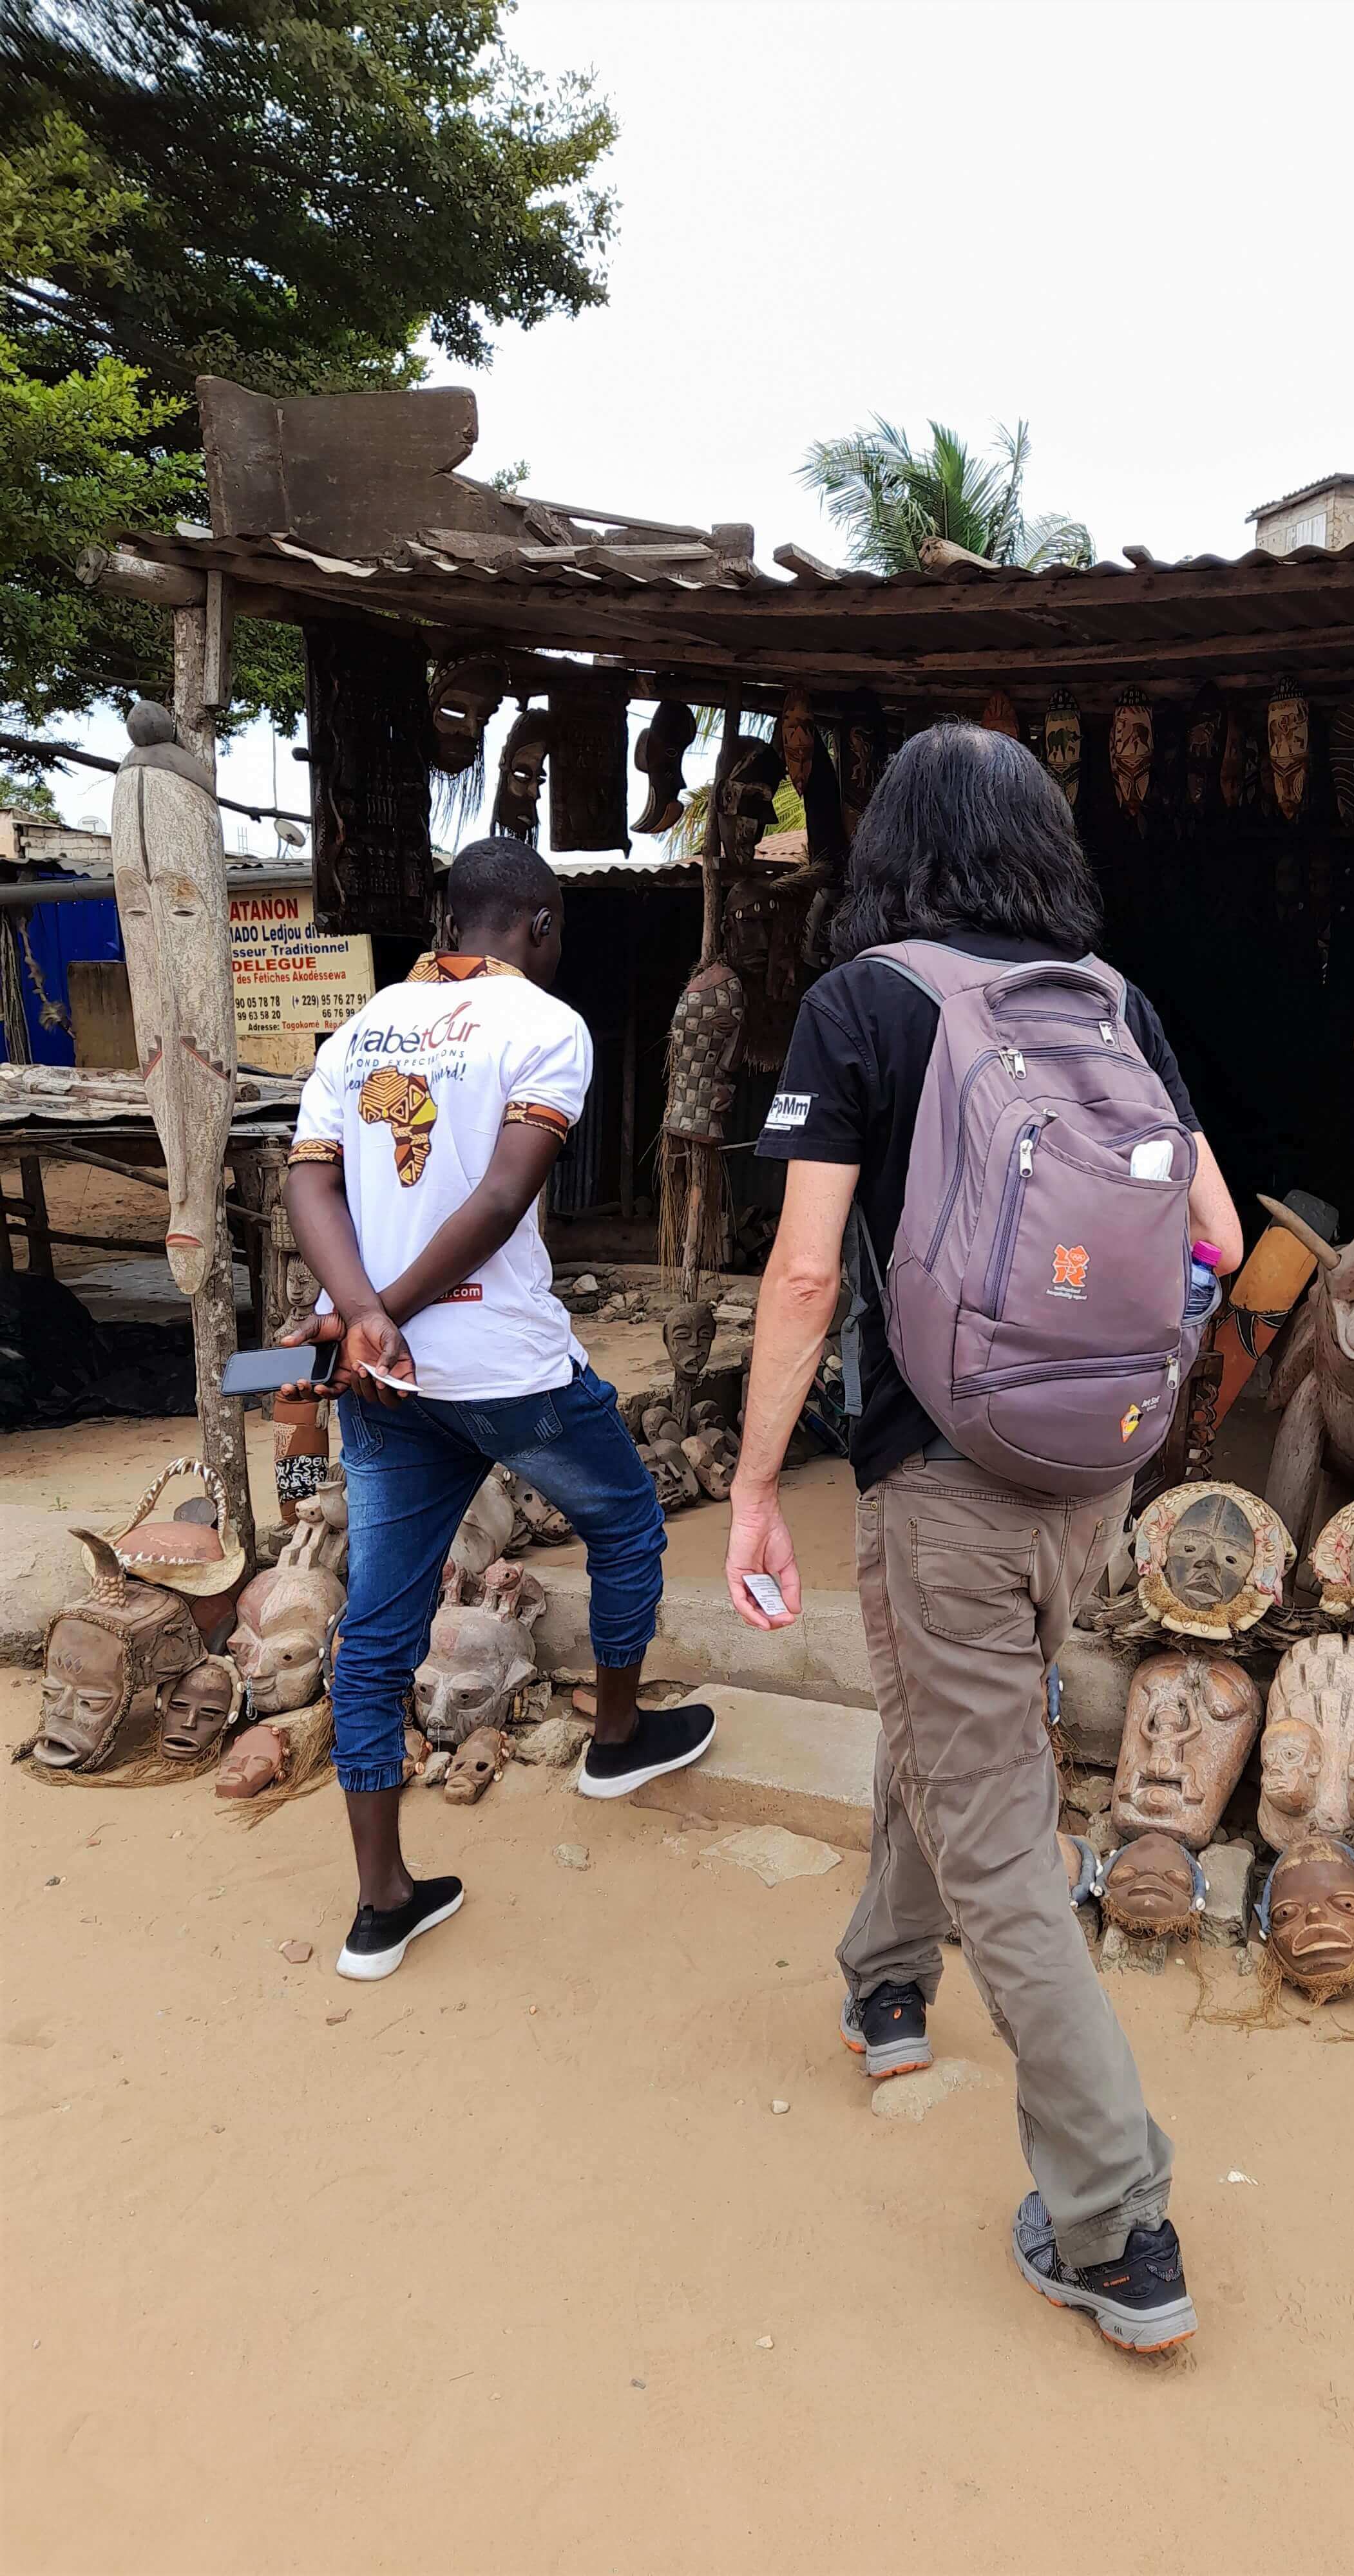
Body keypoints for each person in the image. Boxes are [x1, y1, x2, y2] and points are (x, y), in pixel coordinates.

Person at [726, 723, 1241, 2354]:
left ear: (889, 845)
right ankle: (886, 1977)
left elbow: (806, 1275)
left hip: (938, 1474)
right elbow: (1218, 1236)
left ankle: (1116, 2223)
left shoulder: (861, 1000)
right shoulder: (1113, 999)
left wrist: (751, 1487)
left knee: (1001, 1830)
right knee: (956, 1727)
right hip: (1091, 1480)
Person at [280, 836, 714, 1981]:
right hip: (507, 1374)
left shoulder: (360, 1026)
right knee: (625, 1521)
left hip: (385, 1386)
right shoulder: (544, 1025)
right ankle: (616, 1740)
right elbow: (506, 1190)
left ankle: (381, 1906)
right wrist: (393, 1312)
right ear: (537, 921)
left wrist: (361, 1314)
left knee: (374, 1632)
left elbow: (308, 1180)